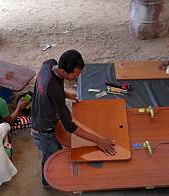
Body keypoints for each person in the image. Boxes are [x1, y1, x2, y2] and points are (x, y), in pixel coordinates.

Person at [31, 49, 116, 189]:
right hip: (42, 130)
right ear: (64, 71)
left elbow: (51, 88)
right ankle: (48, 183)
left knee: (55, 150)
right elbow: (70, 127)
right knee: (50, 157)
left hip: (39, 114)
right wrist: (98, 140)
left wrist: (66, 93)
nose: (77, 77)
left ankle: (51, 172)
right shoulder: (54, 91)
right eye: (75, 74)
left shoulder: (49, 64)